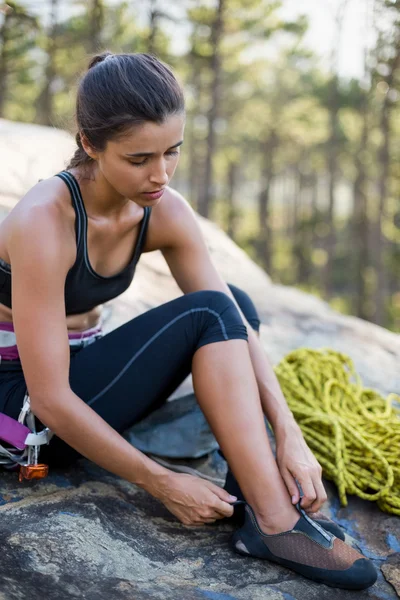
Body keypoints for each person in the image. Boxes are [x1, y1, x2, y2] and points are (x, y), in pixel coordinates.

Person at [0, 52, 376, 590]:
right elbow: (53, 397)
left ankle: (253, 492)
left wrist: (289, 435)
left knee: (235, 304)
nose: (160, 174)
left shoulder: (162, 208)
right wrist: (161, 482)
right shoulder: (43, 220)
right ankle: (275, 522)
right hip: (27, 411)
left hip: (89, 378)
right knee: (209, 312)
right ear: (89, 143)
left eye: (172, 152)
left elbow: (232, 318)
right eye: (139, 159)